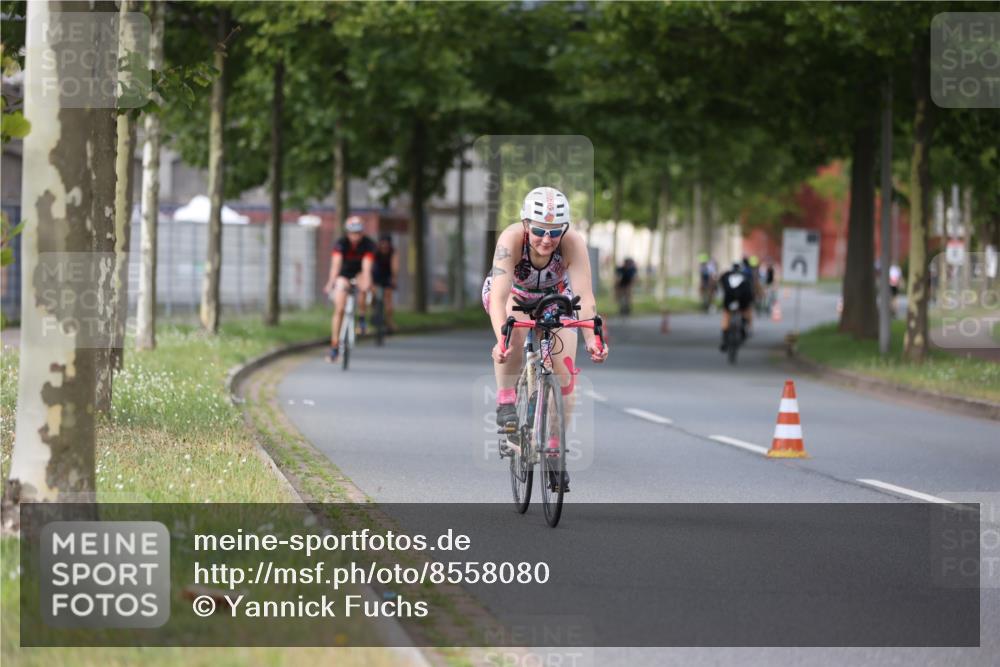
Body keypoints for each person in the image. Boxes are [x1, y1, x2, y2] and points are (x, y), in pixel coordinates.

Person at [483, 186, 608, 492]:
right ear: (526, 224)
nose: (546, 239)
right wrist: (502, 339)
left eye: (554, 232)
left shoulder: (573, 243)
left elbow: (584, 297)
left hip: (556, 298)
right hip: (514, 295)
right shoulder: (510, 239)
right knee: (513, 331)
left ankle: (553, 450)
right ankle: (506, 402)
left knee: (565, 374)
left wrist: (593, 338)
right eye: (539, 230)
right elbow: (499, 298)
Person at [323, 215, 375, 362]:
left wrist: (367, 282)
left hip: (359, 272)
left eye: (358, 233)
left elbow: (367, 266)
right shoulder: (341, 243)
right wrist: (330, 282)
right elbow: (336, 265)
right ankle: (334, 345)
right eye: (353, 233)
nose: (355, 236)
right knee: (339, 308)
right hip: (344, 274)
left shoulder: (368, 244)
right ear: (347, 232)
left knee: (363, 285)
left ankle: (362, 317)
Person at [718, 261, 754, 351]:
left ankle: (725, 339)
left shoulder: (726, 275)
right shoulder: (746, 276)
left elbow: (720, 283)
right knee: (746, 313)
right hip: (743, 301)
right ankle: (744, 328)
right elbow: (750, 290)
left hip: (729, 300)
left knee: (726, 317)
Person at [372, 233, 399, 332]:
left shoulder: (393, 252)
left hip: (387, 276)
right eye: (382, 243)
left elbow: (394, 267)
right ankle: (375, 312)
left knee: (388, 298)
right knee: (373, 294)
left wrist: (394, 278)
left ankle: (389, 321)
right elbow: (370, 265)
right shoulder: (375, 252)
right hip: (375, 275)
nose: (384, 246)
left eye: (386, 244)